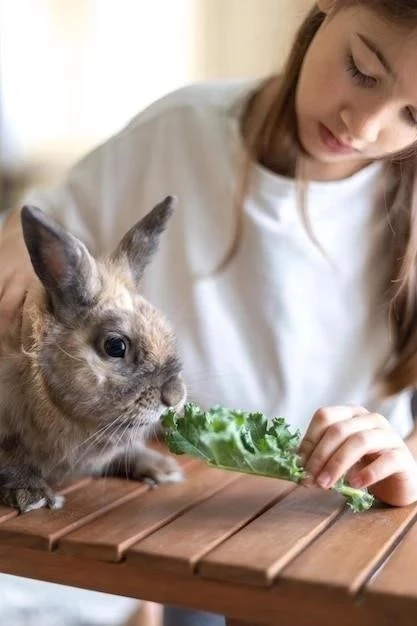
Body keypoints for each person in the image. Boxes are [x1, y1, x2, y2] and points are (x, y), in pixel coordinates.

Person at [2, 1, 417, 625]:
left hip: (329, 530)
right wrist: (13, 255)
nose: (362, 124)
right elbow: (35, 227)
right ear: (327, 7)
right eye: (361, 69)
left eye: (413, 115)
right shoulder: (182, 129)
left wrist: (402, 459)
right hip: (177, 513)